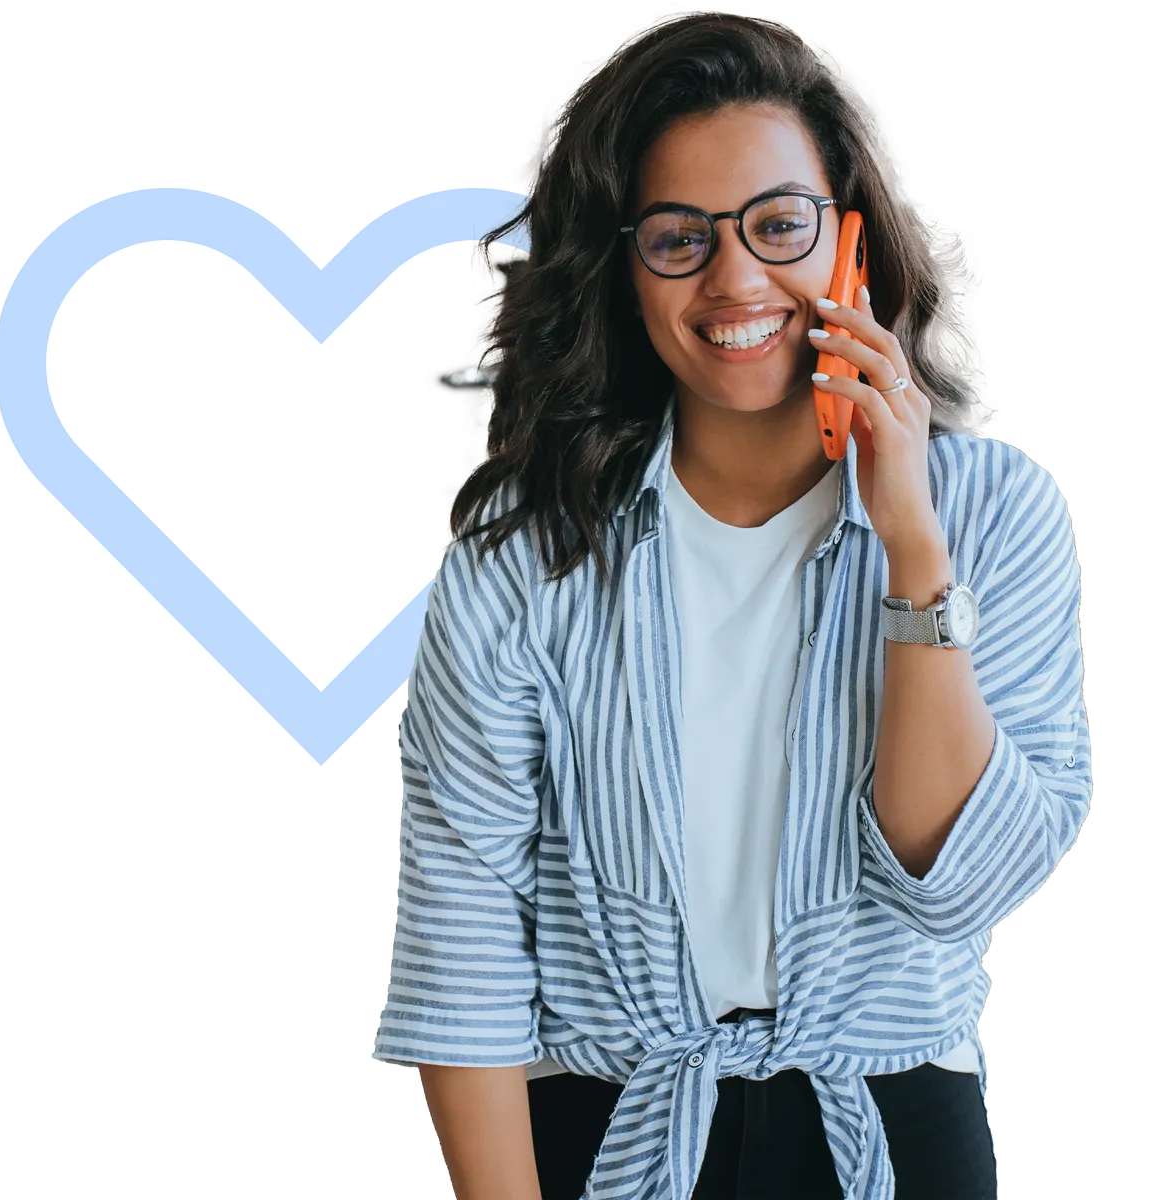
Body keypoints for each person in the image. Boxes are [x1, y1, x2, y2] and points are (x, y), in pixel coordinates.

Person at [372, 8, 1091, 1199]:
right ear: (624, 265)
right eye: (678, 238)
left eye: (778, 224)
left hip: (894, 1122)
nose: (736, 278)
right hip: (610, 1128)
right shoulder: (522, 556)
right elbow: (463, 943)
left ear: (852, 237)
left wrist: (912, 545)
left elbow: (958, 877)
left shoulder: (993, 514)